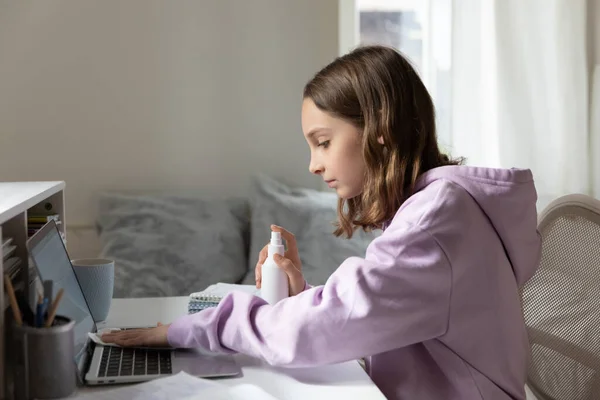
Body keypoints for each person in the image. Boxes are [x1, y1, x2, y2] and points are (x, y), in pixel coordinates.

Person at [102, 45, 541, 399]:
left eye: (324, 142)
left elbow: (334, 322)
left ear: (379, 130)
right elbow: (371, 316)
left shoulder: (437, 221)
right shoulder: (440, 209)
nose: (314, 164)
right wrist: (304, 299)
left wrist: (188, 329)